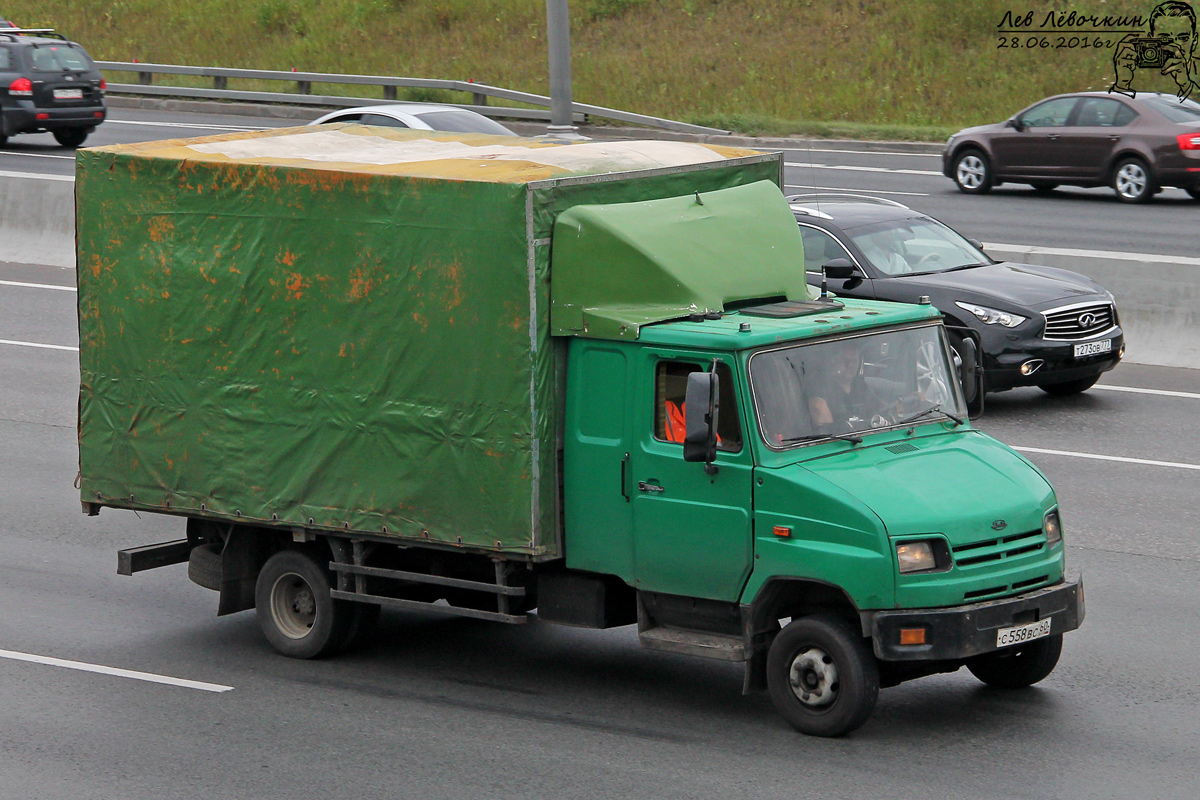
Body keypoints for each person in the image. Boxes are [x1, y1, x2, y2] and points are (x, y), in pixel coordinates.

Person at [1111, 1, 1199, 101]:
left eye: (1183, 38)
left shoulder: (1198, 71)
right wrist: (1122, 84)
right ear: (1151, 38)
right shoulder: (1139, 72)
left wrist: (1186, 85)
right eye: (1164, 39)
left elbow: (1194, 111)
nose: (1175, 46)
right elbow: (1118, 111)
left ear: (1195, 40)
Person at [808, 341, 878, 433]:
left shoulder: (863, 387)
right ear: (835, 362)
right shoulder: (823, 390)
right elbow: (826, 432)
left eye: (854, 361)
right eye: (846, 361)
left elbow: (878, 415)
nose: (850, 365)